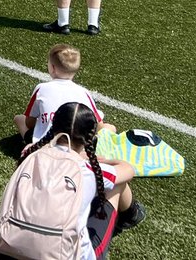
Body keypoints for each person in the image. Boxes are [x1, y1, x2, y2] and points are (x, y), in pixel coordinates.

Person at [18, 102, 146, 256]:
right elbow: (128, 169)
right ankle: (130, 215)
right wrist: (99, 159)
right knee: (116, 185)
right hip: (62, 253)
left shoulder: (29, 152)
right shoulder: (88, 169)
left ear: (54, 127)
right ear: (90, 138)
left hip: (13, 245)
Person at [14, 44, 106, 143]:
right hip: (77, 146)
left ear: (52, 68)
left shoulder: (41, 88)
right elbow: (99, 126)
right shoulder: (84, 92)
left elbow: (29, 123)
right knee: (110, 127)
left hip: (44, 146)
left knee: (19, 118)